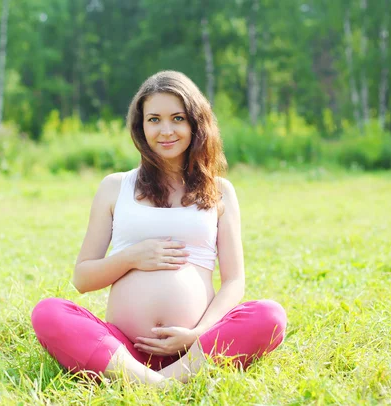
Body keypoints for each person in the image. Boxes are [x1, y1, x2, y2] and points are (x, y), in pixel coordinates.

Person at [31, 70, 287, 386]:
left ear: (196, 123)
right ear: (141, 126)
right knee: (48, 313)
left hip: (196, 349)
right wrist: (131, 258)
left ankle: (154, 381)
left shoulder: (220, 191)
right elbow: (82, 278)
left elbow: (234, 281)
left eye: (177, 118)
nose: (165, 130)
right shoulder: (115, 187)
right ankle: (159, 384)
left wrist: (197, 334)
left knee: (270, 317)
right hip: (122, 348)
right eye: (154, 119)